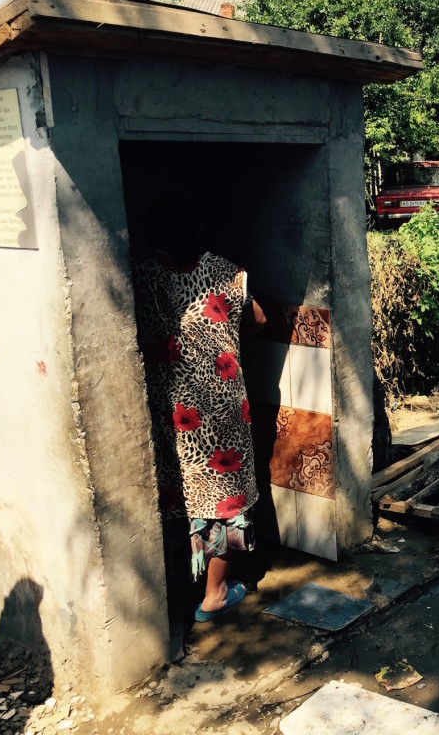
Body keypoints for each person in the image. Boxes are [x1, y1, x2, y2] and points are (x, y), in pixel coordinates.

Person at [133, 199, 266, 624]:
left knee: (180, 493)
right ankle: (214, 593)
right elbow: (259, 320)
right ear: (203, 225)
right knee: (225, 498)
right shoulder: (229, 272)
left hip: (168, 408)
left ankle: (175, 586)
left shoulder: (138, 275)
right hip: (224, 405)